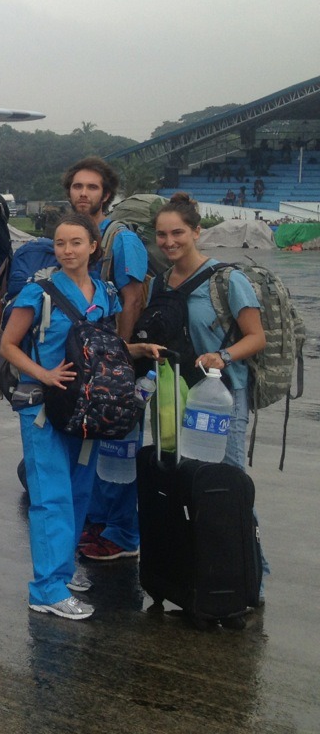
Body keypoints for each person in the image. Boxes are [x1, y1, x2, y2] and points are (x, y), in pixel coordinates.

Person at [0, 213, 160, 620]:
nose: (67, 251)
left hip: (85, 408)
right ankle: (47, 589)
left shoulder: (105, 292)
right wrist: (44, 374)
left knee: (77, 493)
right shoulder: (38, 292)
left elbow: (104, 344)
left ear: (93, 247)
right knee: (51, 497)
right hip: (43, 407)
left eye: (75, 243)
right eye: (59, 243)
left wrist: (134, 351)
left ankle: (65, 569)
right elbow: (8, 345)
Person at [152, 192, 270, 590]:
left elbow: (256, 337)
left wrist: (223, 355)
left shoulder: (228, 280)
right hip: (178, 397)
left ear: (197, 232)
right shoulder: (160, 282)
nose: (169, 242)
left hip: (222, 399)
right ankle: (208, 568)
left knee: (229, 482)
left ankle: (252, 572)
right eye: (162, 235)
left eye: (178, 233)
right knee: (189, 482)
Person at [62, 157, 148, 563]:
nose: (83, 194)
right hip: (88, 361)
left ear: (106, 195)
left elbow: (134, 298)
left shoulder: (121, 239)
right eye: (78, 187)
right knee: (93, 442)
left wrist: (121, 357)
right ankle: (97, 520)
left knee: (121, 447)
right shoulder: (73, 237)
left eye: (92, 187)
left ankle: (122, 532)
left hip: (114, 361)